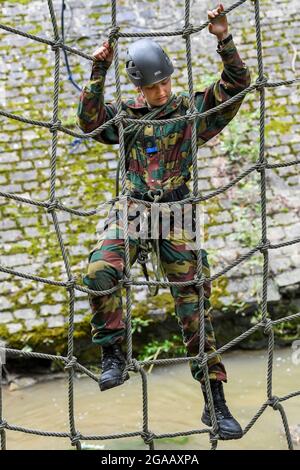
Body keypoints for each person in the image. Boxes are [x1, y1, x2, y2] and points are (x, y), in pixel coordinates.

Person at [77, 3, 251, 440]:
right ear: (138, 87)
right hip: (133, 210)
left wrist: (222, 37)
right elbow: (89, 121)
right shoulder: (128, 118)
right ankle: (113, 355)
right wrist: (99, 70)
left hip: (176, 214)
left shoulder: (191, 111)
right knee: (100, 273)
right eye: (152, 86)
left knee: (196, 308)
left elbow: (237, 84)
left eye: (165, 82)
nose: (161, 91)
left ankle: (216, 404)